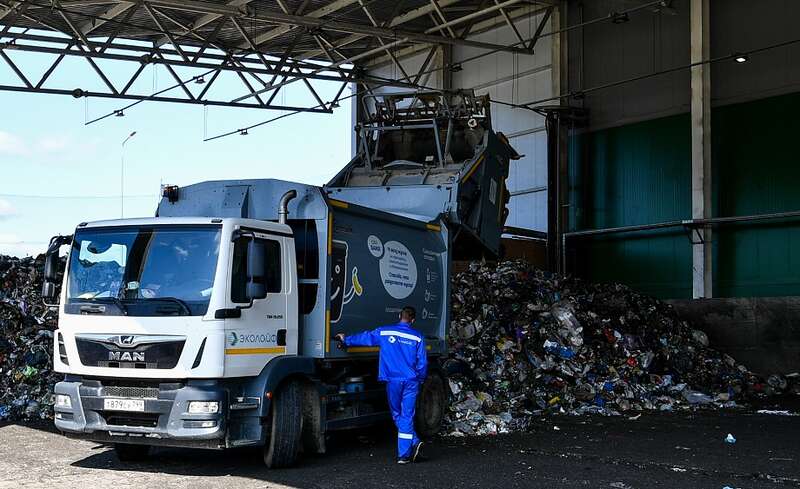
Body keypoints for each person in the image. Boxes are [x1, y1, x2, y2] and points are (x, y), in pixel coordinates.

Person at [335, 306, 427, 464]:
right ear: (413, 320)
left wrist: (346, 339)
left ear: (399, 316)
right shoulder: (418, 336)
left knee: (397, 414)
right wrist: (420, 378)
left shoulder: (385, 332)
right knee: (407, 415)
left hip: (393, 380)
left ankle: (405, 454)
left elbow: (366, 338)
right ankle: (413, 442)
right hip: (411, 381)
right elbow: (423, 362)